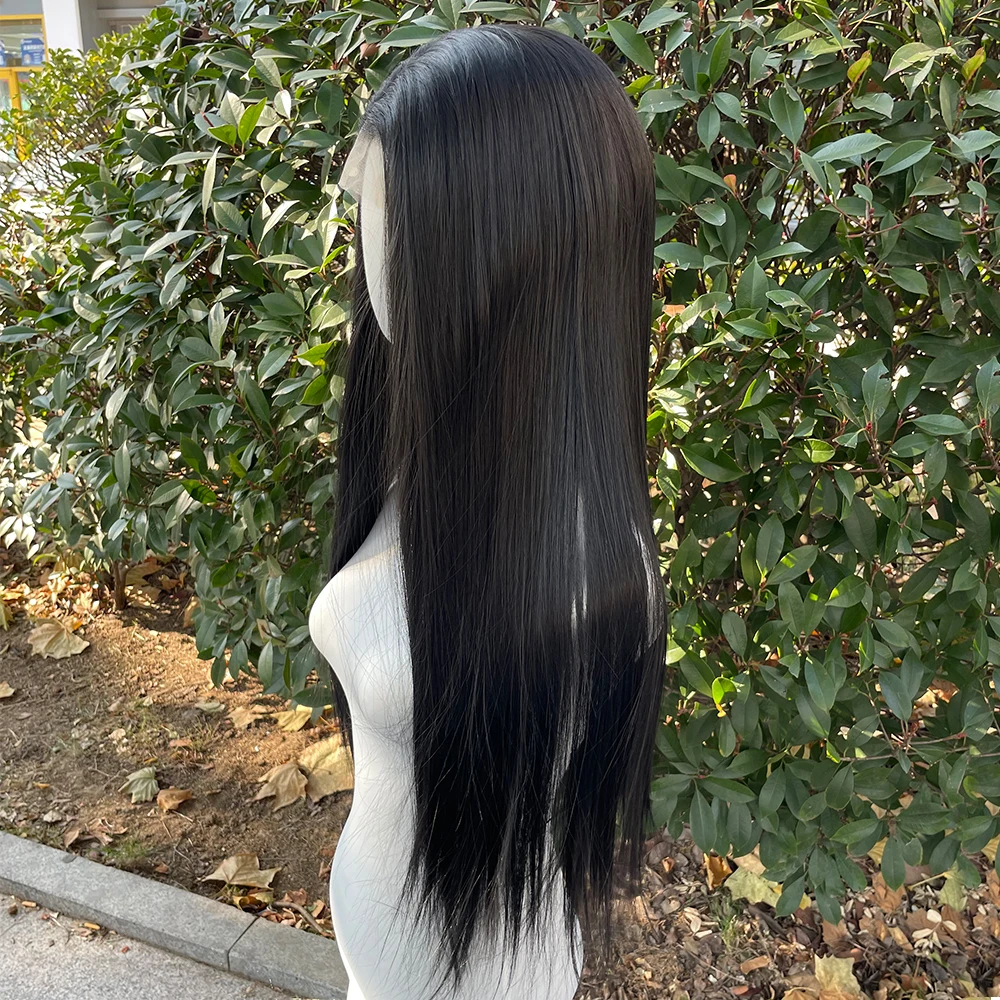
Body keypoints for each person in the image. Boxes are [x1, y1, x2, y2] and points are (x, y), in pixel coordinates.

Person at [308, 23, 667, 1000]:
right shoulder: (434, 455)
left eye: (385, 211)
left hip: (484, 975)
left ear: (503, 250)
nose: (363, 244)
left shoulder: (583, 570)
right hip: (391, 959)